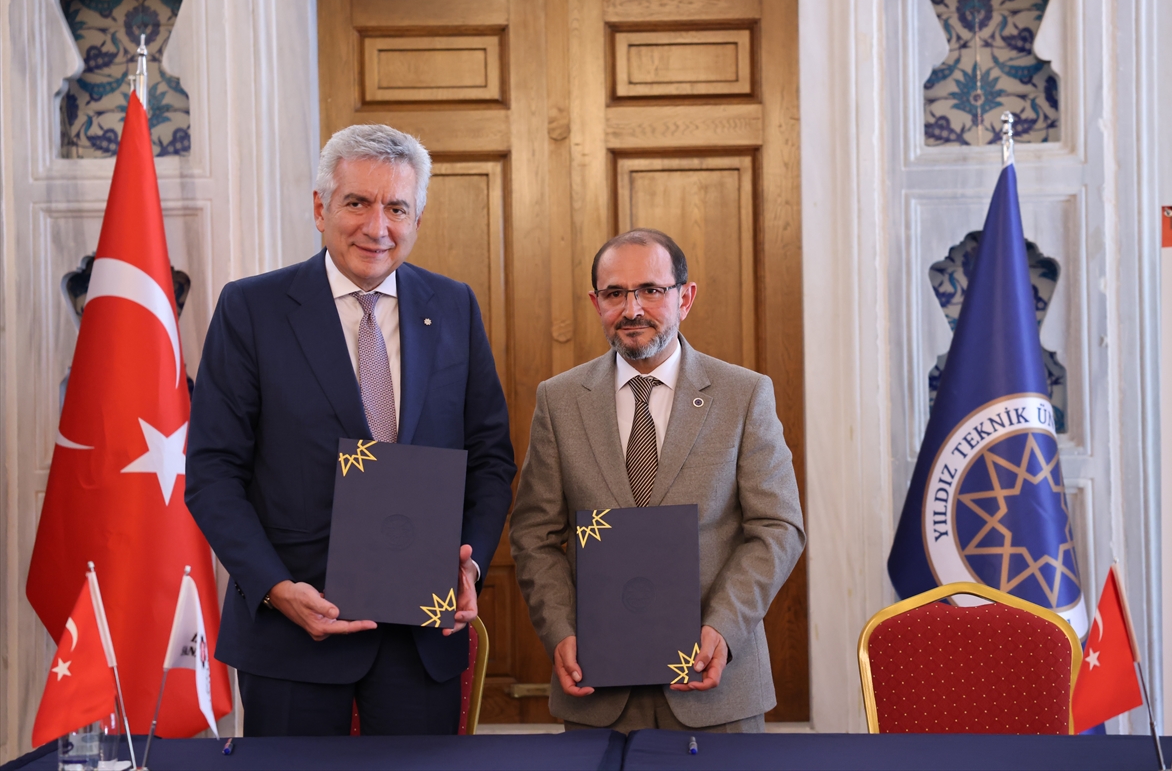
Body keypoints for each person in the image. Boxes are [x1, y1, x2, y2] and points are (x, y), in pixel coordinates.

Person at [185, 124, 516, 736]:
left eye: (397, 208)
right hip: (291, 638)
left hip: (421, 637)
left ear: (417, 218)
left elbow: (491, 458)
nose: (377, 227)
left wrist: (468, 566)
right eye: (357, 202)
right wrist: (274, 587)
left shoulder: (453, 306)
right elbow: (212, 473)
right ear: (321, 208)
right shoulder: (251, 310)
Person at [510, 228, 806, 733]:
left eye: (651, 290)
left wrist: (724, 627)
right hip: (597, 689)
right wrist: (560, 629)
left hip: (715, 688)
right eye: (614, 294)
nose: (632, 310)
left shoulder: (744, 395)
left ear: (685, 297)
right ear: (596, 302)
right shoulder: (559, 401)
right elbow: (533, 534)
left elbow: (779, 527)